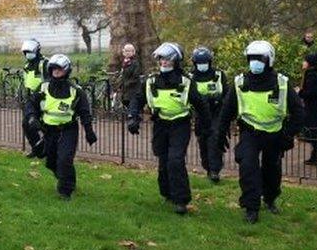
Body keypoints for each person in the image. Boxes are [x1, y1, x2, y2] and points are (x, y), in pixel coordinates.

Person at [211, 40, 304, 223]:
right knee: (248, 167)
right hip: (250, 132)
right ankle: (251, 207)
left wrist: (288, 133)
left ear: (269, 60)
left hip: (275, 134)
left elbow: (299, 112)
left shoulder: (282, 83)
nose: (255, 62)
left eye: (259, 59)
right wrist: (220, 134)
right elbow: (226, 111)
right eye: (251, 58)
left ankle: (269, 199)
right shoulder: (240, 82)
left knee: (272, 169)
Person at [127, 42, 211, 215]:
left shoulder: (186, 82)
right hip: (160, 125)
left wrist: (208, 127)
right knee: (163, 161)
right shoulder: (151, 81)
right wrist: (133, 117)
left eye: (167, 60)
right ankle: (167, 193)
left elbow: (201, 105)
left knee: (175, 160)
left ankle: (181, 200)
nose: (163, 63)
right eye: (161, 60)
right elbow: (137, 99)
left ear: (175, 61)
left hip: (180, 125)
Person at [24, 54, 97, 199]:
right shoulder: (43, 87)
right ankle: (67, 178)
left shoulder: (76, 91)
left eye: (59, 69)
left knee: (64, 160)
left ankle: (65, 191)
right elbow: (30, 103)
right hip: (49, 130)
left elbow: (84, 112)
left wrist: (89, 131)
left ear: (67, 70)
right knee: (51, 162)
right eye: (53, 69)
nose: (56, 71)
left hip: (68, 130)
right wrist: (32, 117)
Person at [190, 47, 230, 183]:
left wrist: (218, 100)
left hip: (216, 113)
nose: (202, 65)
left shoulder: (218, 75)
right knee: (203, 141)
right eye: (199, 62)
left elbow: (227, 94)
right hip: (200, 115)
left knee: (214, 140)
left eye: (205, 62)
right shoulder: (191, 77)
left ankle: (215, 170)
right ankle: (207, 167)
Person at [20, 38, 47, 156]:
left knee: (45, 125)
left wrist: (40, 92)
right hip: (32, 99)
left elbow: (49, 81)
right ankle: (36, 148)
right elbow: (27, 82)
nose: (28, 55)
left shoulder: (44, 63)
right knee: (27, 124)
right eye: (26, 53)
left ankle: (46, 148)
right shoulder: (27, 65)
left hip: (44, 98)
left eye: (29, 52)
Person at [119, 43, 141, 108]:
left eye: (129, 51)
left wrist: (127, 83)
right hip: (125, 90)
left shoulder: (135, 63)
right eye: (126, 51)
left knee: (132, 109)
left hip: (134, 90)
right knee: (126, 106)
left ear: (133, 52)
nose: (127, 53)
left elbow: (136, 76)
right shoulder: (124, 63)